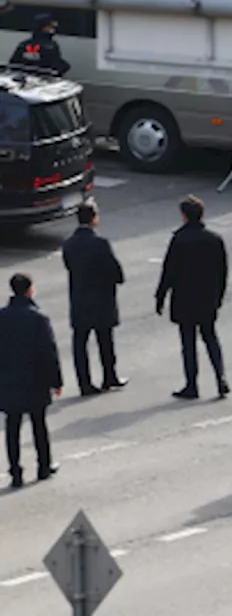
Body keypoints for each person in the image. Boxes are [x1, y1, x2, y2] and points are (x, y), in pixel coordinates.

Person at [156, 195, 230, 400]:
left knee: (188, 343)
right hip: (207, 298)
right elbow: (222, 272)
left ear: (184, 216)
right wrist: (219, 297)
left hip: (185, 299)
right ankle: (221, 378)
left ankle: (192, 384)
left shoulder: (179, 240)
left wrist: (160, 296)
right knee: (211, 338)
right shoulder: (215, 240)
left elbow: (168, 272)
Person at [0, 273, 62, 488]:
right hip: (35, 380)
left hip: (8, 380)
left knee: (12, 426)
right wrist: (56, 381)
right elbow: (48, 352)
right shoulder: (38, 318)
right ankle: (43, 466)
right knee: (39, 424)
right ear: (29, 290)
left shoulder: (2, 317)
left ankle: (15, 471)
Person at [62, 201, 127, 397]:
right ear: (94, 218)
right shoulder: (100, 244)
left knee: (80, 342)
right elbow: (115, 271)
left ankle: (85, 383)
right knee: (105, 340)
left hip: (80, 298)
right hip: (101, 298)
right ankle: (109, 376)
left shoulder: (69, 244)